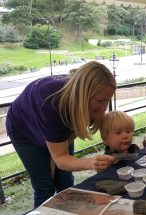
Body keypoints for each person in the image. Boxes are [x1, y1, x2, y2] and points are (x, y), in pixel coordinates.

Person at [5, 61, 118, 207]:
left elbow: (70, 133)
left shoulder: (82, 102)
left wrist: (57, 157)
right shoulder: (51, 100)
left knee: (65, 181)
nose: (104, 107)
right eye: (100, 101)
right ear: (83, 94)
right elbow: (61, 158)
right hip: (24, 130)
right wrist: (89, 162)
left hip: (55, 122)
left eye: (108, 100)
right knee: (45, 186)